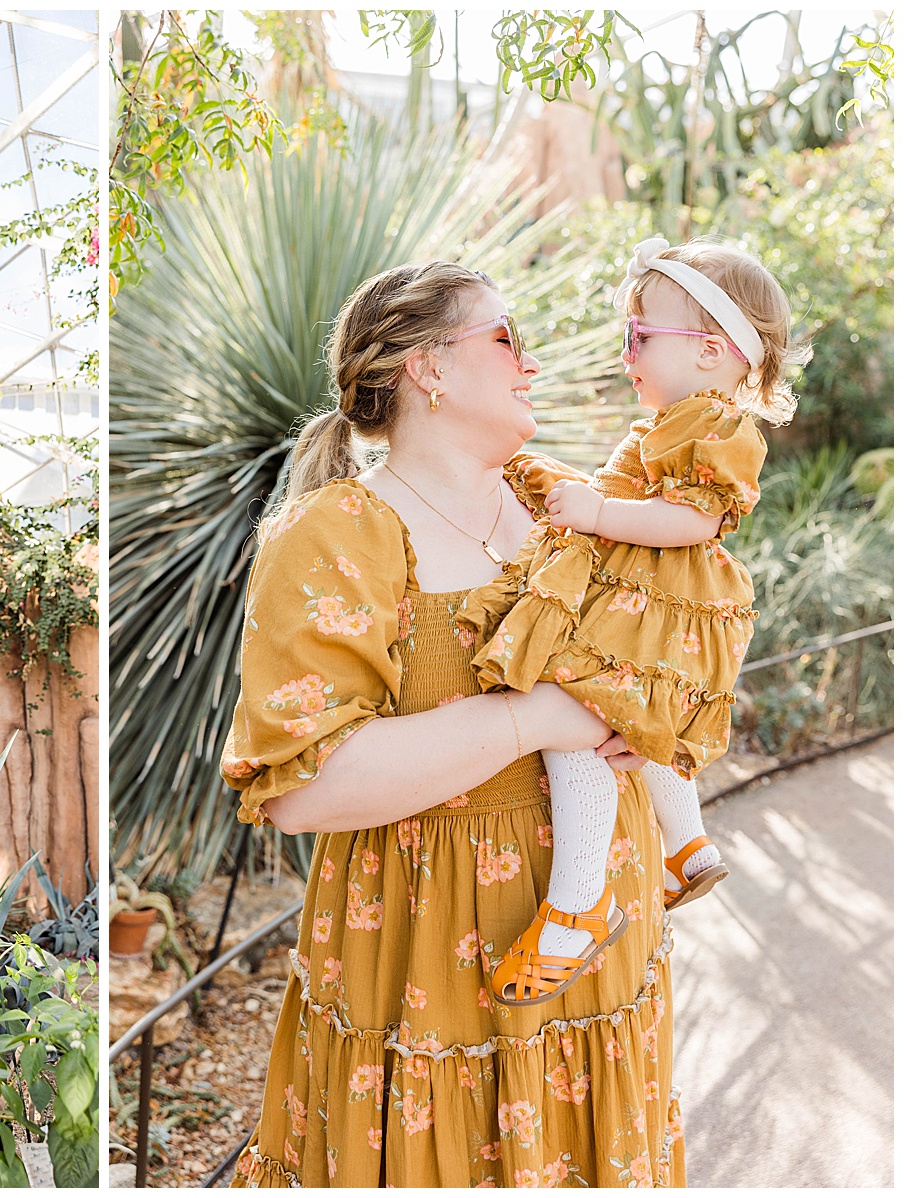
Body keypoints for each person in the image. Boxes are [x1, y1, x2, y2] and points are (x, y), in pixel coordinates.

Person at [221, 260, 682, 1188]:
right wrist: (539, 716)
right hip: (434, 968)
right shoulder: (340, 531)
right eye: (506, 337)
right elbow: (307, 786)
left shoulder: (563, 508)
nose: (532, 364)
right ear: (427, 367)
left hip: (601, 947)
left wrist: (651, 716)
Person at [458, 239, 809, 1007]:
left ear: (712, 351)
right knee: (630, 719)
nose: (626, 354)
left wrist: (599, 511)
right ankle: (686, 846)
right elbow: (623, 497)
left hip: (659, 607)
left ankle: (576, 907)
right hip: (648, 605)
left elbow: (695, 519)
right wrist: (567, 488)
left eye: (639, 337)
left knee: (574, 725)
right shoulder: (678, 418)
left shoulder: (714, 425)